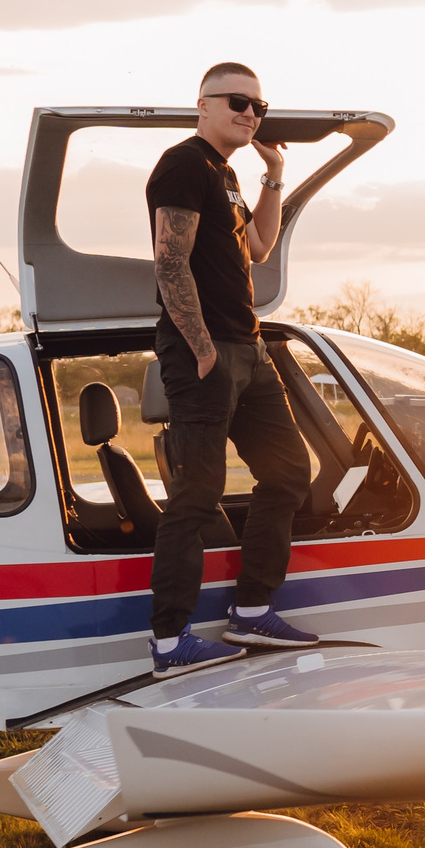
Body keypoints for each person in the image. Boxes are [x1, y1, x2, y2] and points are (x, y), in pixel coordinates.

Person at [145, 62, 319, 673]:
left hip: (248, 347)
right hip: (207, 350)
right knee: (198, 492)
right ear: (203, 104)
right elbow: (170, 263)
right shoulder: (184, 163)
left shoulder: (227, 176)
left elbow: (259, 250)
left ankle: (252, 611)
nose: (250, 114)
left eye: (258, 107)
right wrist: (202, 348)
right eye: (238, 102)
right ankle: (169, 642)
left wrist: (274, 174)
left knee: (290, 470)